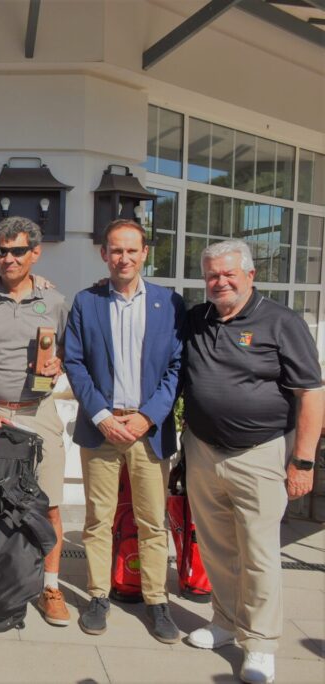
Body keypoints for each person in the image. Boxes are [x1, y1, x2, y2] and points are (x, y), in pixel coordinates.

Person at [181, 239, 323, 684]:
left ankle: (260, 644)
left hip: (260, 454)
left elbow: (312, 394)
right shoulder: (197, 319)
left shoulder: (282, 322)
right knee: (217, 546)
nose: (219, 282)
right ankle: (224, 622)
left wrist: (302, 461)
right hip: (203, 449)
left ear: (249, 275)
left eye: (228, 274)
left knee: (259, 553)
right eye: (211, 276)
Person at [63, 219, 186, 642]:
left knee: (152, 521)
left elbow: (176, 368)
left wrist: (147, 416)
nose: (124, 258)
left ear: (145, 253)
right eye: (116, 250)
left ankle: (156, 600)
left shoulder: (170, 304)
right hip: (102, 427)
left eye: (132, 250)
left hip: (147, 429)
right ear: (104, 254)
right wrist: (101, 415)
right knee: (99, 519)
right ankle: (98, 595)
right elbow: (74, 362)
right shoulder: (86, 302)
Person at [0, 216, 69, 626]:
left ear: (35, 253)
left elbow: (65, 356)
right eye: (1, 250)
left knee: (49, 503)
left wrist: (56, 367)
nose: (8, 258)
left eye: (17, 251)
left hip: (38, 413)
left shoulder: (54, 301)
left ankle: (50, 587)